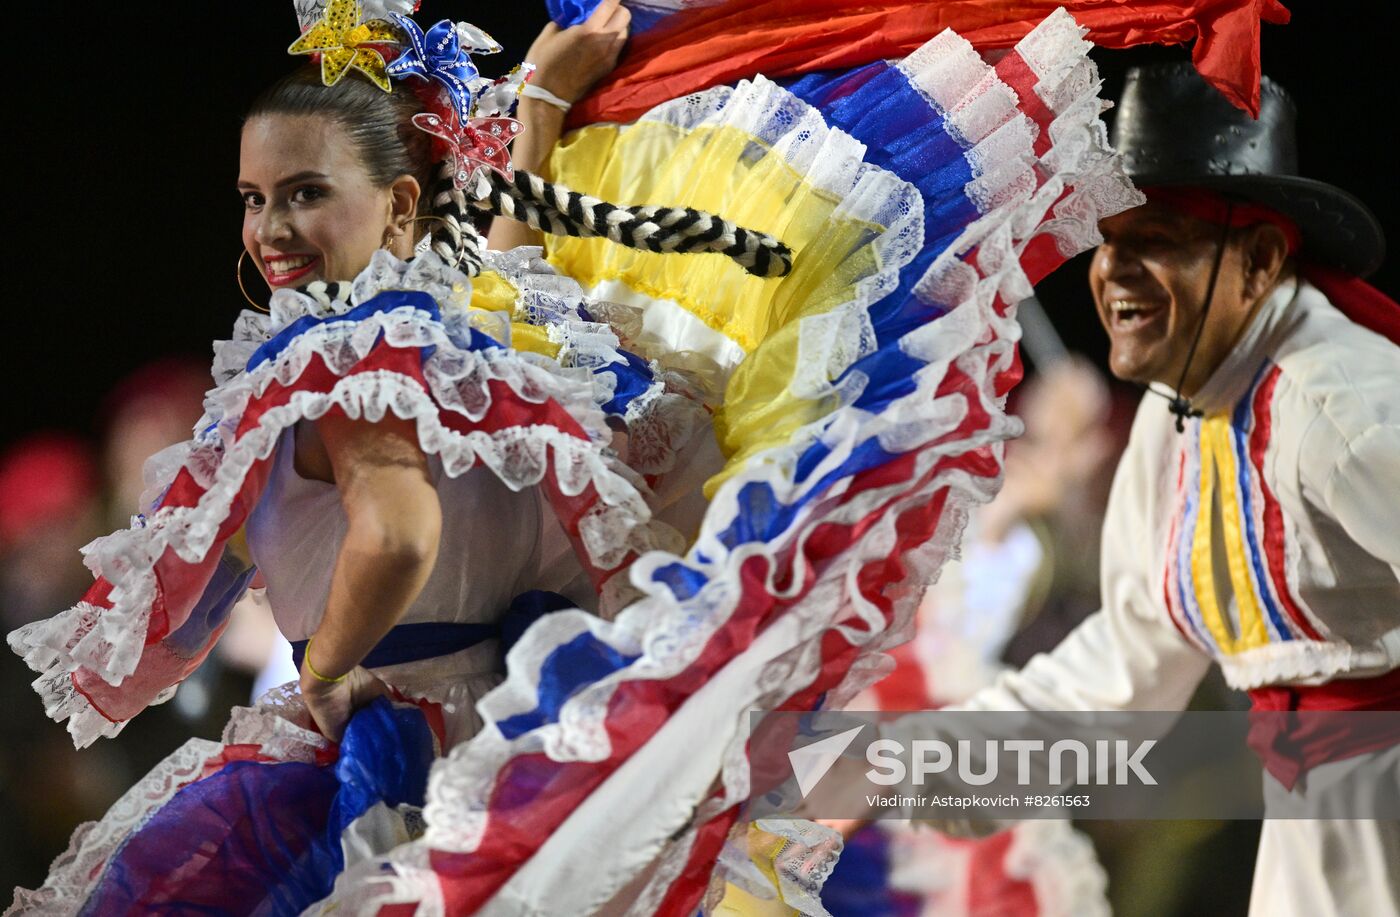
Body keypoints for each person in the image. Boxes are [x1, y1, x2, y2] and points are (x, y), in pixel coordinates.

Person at [7, 3, 1167, 914]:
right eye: (255, 199)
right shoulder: (474, 348)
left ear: (399, 207)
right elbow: (510, 292)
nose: (268, 231)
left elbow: (397, 529)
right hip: (529, 740)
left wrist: (318, 687)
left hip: (414, 750)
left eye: (305, 195)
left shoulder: (346, 357)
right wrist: (543, 121)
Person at [884, 63, 1399, 916]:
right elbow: (1129, 664)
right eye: (1106, 238)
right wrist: (909, 767)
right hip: (1318, 829)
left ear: (1261, 258)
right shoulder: (1185, 400)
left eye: (1156, 237)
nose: (1113, 272)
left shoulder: (1345, 416)